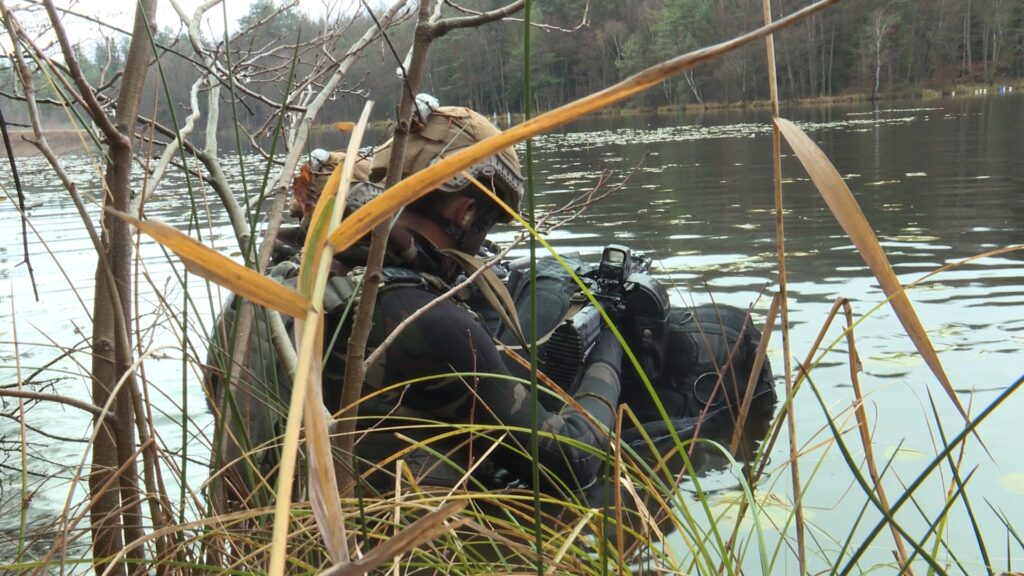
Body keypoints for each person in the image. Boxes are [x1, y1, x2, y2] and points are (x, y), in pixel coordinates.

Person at [208, 105, 626, 500]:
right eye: (489, 222)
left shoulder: (272, 281)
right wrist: (608, 353)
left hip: (270, 535)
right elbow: (573, 463)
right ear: (465, 213)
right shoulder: (425, 319)